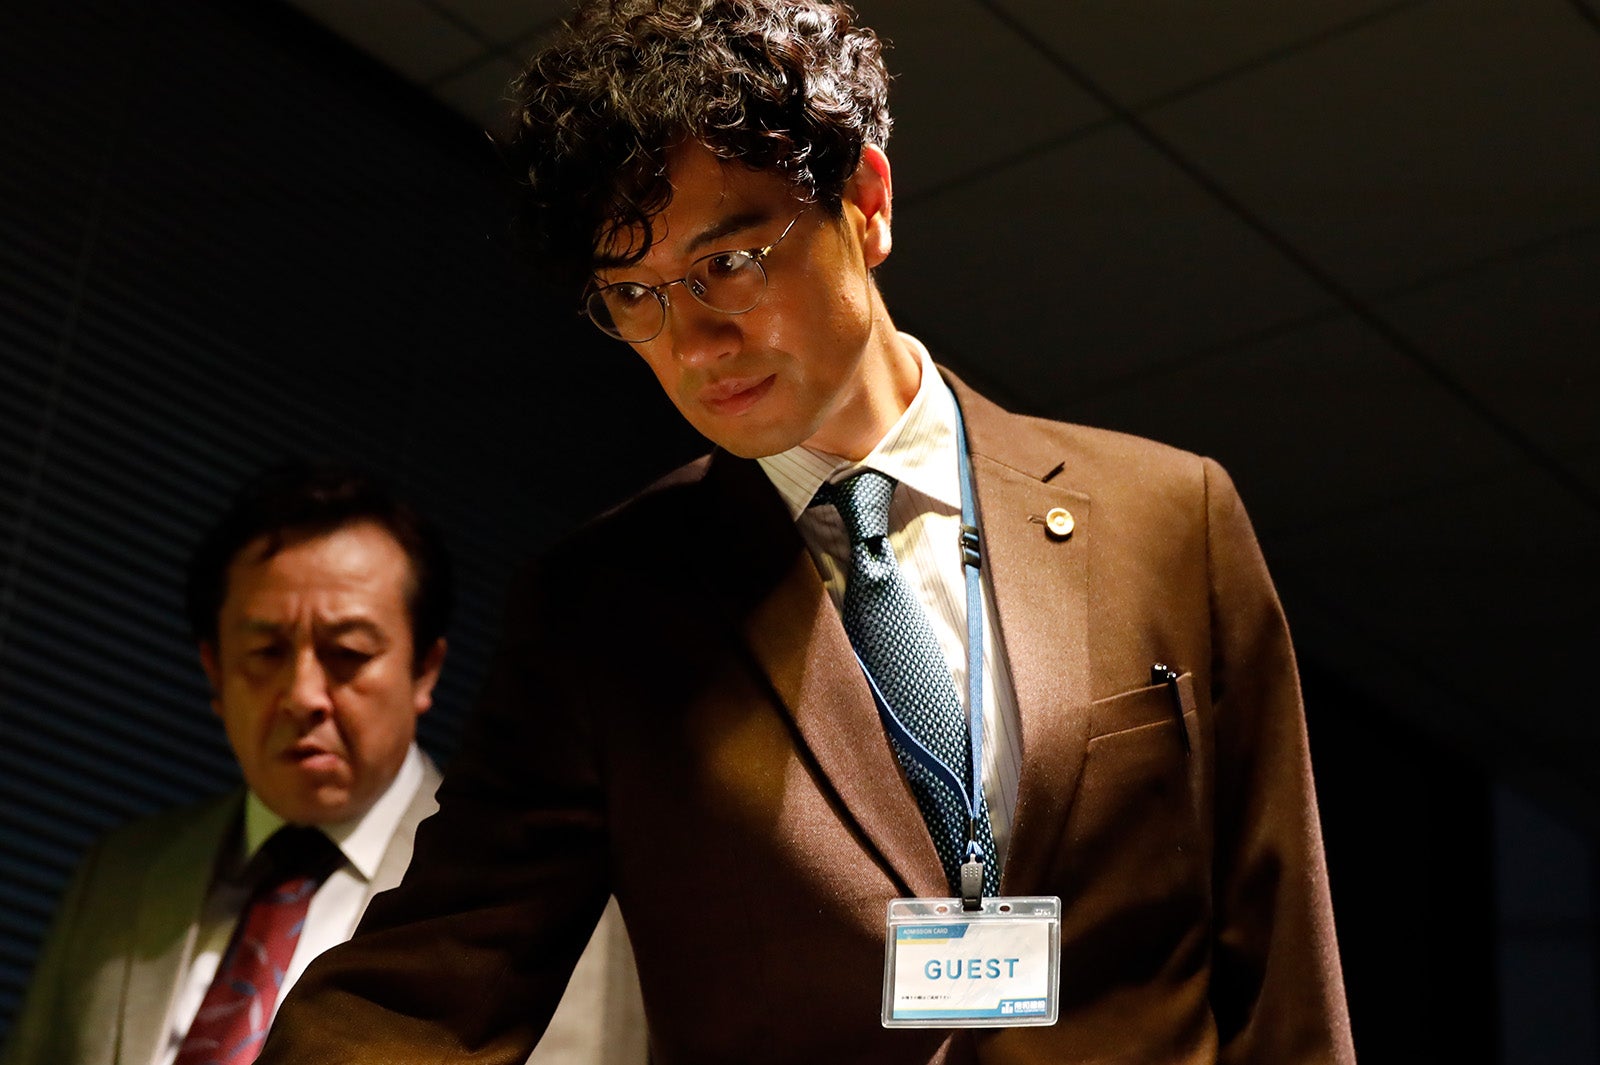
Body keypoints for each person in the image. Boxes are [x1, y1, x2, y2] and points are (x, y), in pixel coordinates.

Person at [257, 2, 1355, 1062]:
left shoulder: (1169, 516)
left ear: (866, 202)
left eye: (729, 265)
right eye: (635, 296)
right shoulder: (603, 612)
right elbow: (427, 984)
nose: (693, 343)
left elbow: (1283, 982)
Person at [1, 462, 645, 1065]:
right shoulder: (118, 874)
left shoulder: (549, 886)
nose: (303, 695)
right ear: (215, 673)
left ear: (425, 670)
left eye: (348, 653)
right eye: (265, 653)